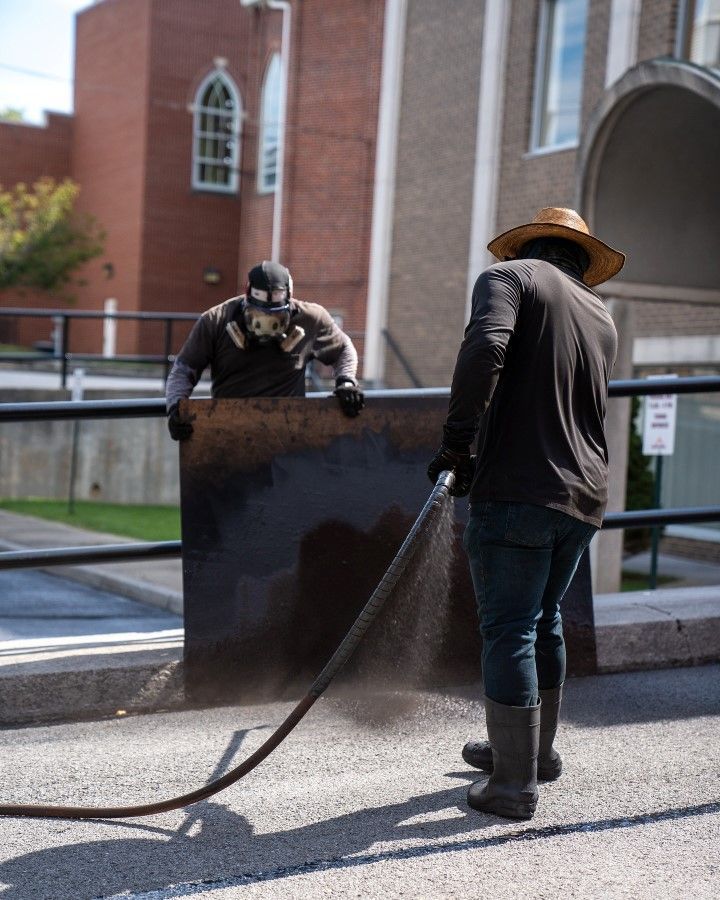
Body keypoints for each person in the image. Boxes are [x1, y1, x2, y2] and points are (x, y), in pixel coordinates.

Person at [427, 207, 625, 820]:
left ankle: (512, 786)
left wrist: (457, 443)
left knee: (509, 628)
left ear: (527, 248)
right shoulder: (601, 315)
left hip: (518, 486)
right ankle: (535, 755)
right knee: (544, 621)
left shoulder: (509, 279)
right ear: (578, 256)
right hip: (585, 495)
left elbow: (485, 347)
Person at [165, 260, 364, 439]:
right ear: (246, 298)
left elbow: (344, 349)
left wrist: (346, 383)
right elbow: (184, 369)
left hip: (288, 438)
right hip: (229, 434)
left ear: (289, 302)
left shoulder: (310, 319)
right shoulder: (216, 320)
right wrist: (175, 408)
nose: (267, 322)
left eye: (276, 315)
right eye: (259, 313)